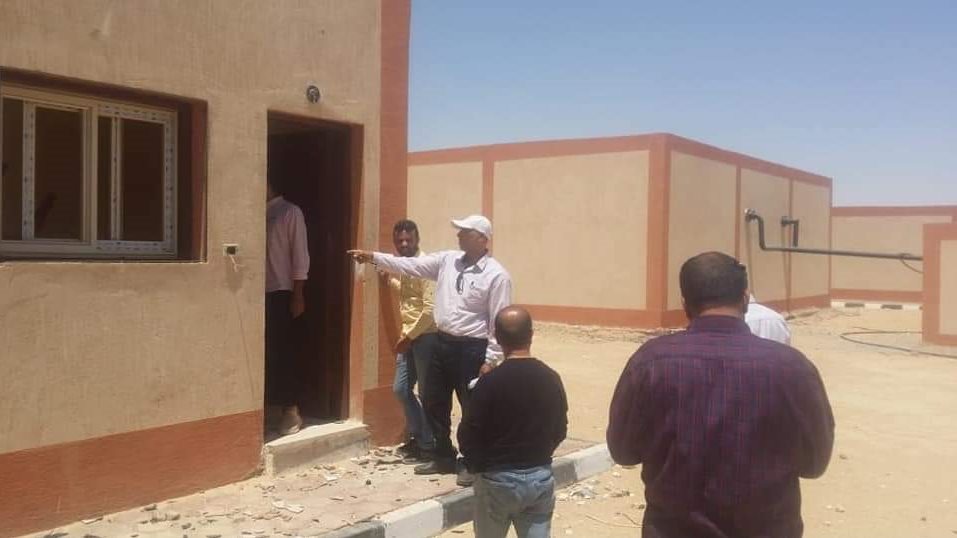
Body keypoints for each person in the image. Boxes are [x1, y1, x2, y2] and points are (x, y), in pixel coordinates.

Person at [607, 251, 834, 538]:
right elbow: (814, 464)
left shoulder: (650, 362)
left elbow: (624, 452)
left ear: (685, 303)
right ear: (745, 298)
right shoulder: (792, 368)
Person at [348, 214, 512, 485]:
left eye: (465, 232)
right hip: (442, 343)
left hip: (472, 348)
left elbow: (498, 319)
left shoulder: (496, 275)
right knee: (434, 401)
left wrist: (492, 359)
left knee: (471, 408)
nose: (458, 235)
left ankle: (471, 461)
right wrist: (373, 257)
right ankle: (443, 455)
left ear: (482, 239)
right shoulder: (448, 261)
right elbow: (410, 265)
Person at [458, 306, 567, 538]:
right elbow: (560, 429)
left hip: (496, 479)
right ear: (531, 335)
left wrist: (477, 467)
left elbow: (468, 433)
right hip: (539, 476)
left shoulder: (488, 383)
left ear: (497, 338)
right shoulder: (551, 378)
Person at [384, 219, 438, 461]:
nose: (404, 244)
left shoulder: (425, 267)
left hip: (425, 337)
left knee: (427, 393)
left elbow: (429, 310)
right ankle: (423, 438)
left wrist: (409, 337)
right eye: (400, 241)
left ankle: (432, 446)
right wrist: (390, 281)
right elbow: (411, 297)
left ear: (417, 240)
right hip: (409, 336)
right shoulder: (406, 266)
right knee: (401, 389)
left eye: (408, 240)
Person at [265, 177, 310, 435]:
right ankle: (273, 406)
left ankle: (292, 410)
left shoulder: (289, 212)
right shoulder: (257, 214)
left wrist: (298, 294)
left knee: (284, 352)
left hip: (282, 290)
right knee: (269, 352)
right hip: (259, 293)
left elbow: (300, 255)